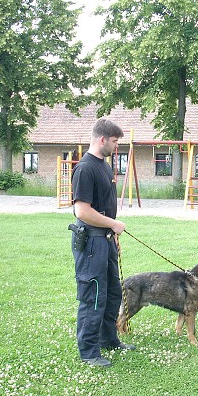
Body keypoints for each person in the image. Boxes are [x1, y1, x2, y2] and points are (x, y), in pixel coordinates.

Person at [70, 118, 135, 368]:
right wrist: (112, 224)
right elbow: (82, 211)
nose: (116, 146)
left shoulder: (105, 167)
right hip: (91, 244)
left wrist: (114, 234)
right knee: (93, 295)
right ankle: (88, 351)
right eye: (115, 142)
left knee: (112, 292)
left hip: (106, 240)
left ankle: (109, 339)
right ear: (102, 139)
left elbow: (105, 207)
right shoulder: (85, 169)